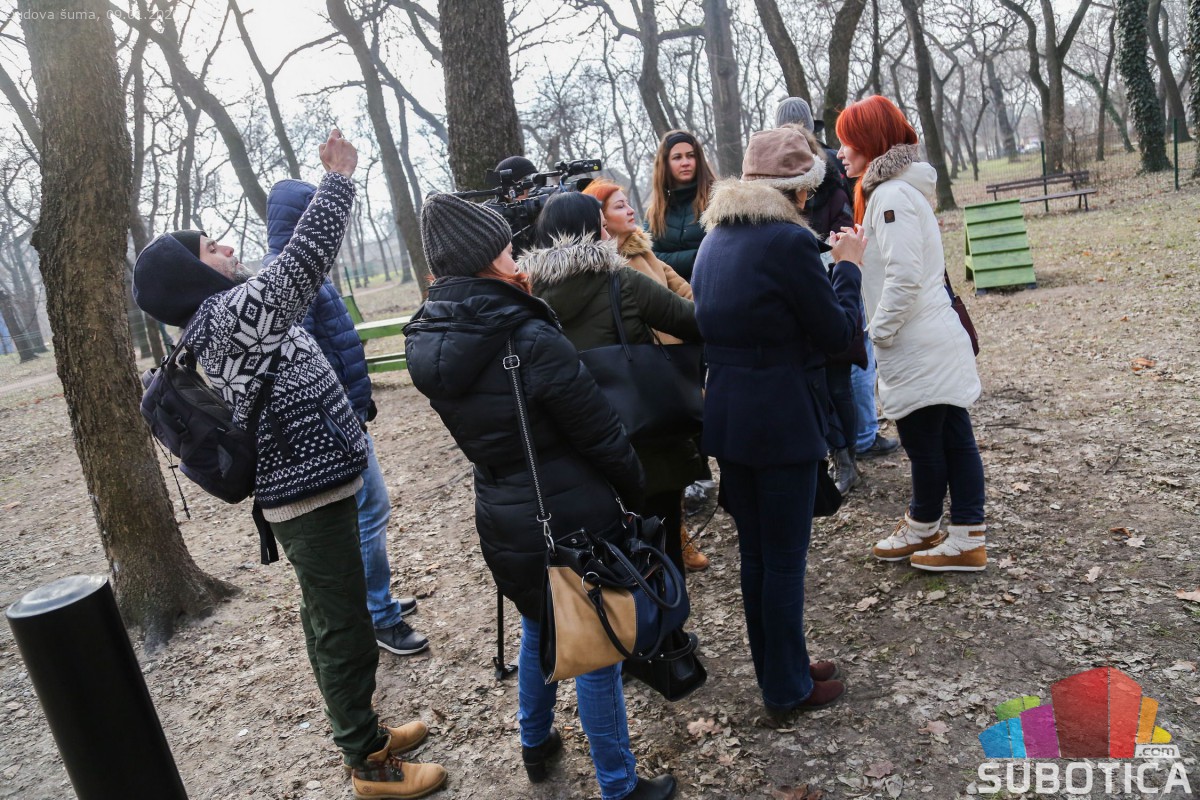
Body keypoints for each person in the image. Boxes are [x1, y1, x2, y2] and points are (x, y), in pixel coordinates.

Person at [132, 131, 446, 798]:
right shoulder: (226, 318)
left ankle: (362, 731)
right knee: (344, 627)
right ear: (189, 274)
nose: (228, 249)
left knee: (329, 619)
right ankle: (368, 763)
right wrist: (338, 178)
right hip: (307, 500)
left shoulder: (226, 314)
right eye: (212, 248)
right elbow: (304, 259)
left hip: (316, 491)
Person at [403, 191, 678, 800]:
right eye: (506, 249)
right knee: (597, 643)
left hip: (501, 511)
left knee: (539, 623)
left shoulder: (428, 339)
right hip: (571, 508)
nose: (516, 256)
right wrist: (635, 487)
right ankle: (619, 785)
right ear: (486, 260)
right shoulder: (526, 334)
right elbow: (599, 432)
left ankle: (535, 742)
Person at [691, 126, 864, 720]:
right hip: (781, 418)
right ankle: (787, 688)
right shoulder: (788, 242)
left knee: (758, 557)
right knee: (784, 559)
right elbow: (837, 334)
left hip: (731, 418)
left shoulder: (716, 238)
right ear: (801, 191)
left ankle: (781, 669)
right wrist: (848, 267)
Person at [262, 179, 428, 657]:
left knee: (369, 513)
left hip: (348, 417)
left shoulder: (307, 272)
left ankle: (377, 601)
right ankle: (379, 615)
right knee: (371, 512)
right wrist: (345, 416)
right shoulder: (288, 278)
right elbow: (306, 364)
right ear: (305, 218)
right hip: (337, 426)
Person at [835, 96, 987, 572]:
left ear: (870, 141)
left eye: (847, 141)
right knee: (950, 437)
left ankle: (950, 533)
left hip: (917, 341)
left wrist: (877, 331)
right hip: (927, 335)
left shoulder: (891, 196)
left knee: (928, 445)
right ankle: (944, 530)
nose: (840, 152)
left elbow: (904, 276)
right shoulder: (894, 192)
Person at [520, 192, 704, 577]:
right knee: (664, 553)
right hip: (646, 448)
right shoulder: (620, 280)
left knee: (609, 562)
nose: (609, 235)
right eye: (603, 227)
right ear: (590, 232)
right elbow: (693, 321)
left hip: (577, 456)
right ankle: (668, 615)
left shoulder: (527, 296)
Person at [582, 179, 710, 572]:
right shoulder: (605, 271)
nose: (630, 210)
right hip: (639, 375)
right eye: (619, 206)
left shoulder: (643, 251)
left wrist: (704, 309)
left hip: (674, 366)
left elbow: (681, 290)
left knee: (679, 455)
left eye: (627, 203)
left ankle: (676, 533)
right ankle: (671, 540)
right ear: (600, 219)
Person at [645, 129, 716, 282]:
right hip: (671, 292)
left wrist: (669, 260)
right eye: (677, 157)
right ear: (665, 163)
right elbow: (648, 258)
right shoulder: (655, 213)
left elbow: (720, 253)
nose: (685, 163)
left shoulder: (717, 201)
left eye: (691, 156)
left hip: (711, 286)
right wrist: (696, 256)